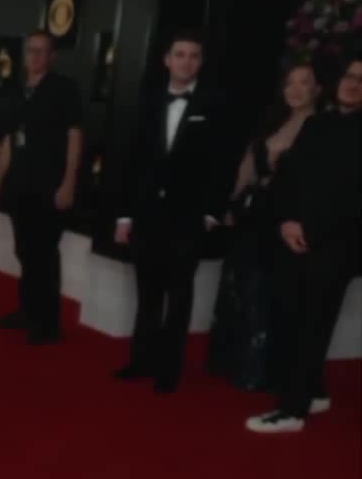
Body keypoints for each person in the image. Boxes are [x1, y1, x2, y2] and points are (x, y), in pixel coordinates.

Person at [113, 29, 233, 393]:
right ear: (167, 60)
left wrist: (211, 213)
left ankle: (169, 369)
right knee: (147, 293)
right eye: (180, 54)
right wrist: (124, 216)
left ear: (201, 62)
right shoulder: (146, 101)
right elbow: (130, 161)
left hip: (187, 218)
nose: (186, 61)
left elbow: (222, 164)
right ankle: (141, 360)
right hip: (147, 214)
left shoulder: (215, 105)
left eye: (194, 55)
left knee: (179, 296)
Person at [246, 56, 361, 433]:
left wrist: (310, 228)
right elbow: (289, 177)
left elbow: (352, 197)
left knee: (313, 326)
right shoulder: (317, 123)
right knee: (290, 317)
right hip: (292, 236)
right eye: (350, 76)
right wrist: (286, 222)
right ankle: (312, 391)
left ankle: (292, 412)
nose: (353, 84)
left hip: (337, 245)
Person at [207, 63, 319, 391]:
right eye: (290, 83)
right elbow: (247, 168)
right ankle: (230, 362)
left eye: (304, 83)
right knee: (238, 285)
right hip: (252, 218)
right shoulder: (273, 122)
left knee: (267, 293)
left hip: (285, 221)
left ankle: (258, 371)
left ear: (317, 89)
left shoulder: (321, 127)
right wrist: (231, 204)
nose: (295, 89)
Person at [0, 29, 83, 344]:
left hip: (50, 186)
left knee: (44, 254)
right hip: (19, 184)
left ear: (52, 56)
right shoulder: (17, 91)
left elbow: (74, 137)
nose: (35, 56)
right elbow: (10, 141)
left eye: (42, 51)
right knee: (25, 250)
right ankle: (27, 312)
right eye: (31, 50)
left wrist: (69, 182)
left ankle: (48, 325)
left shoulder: (65, 89)